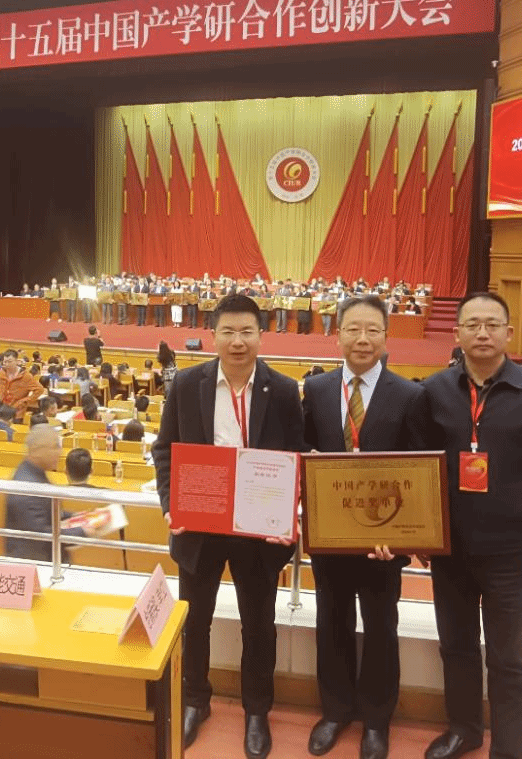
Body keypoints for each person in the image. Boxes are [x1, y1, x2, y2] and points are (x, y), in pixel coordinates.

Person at [151, 294, 304, 758]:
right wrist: (170, 505)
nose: (238, 342)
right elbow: (164, 450)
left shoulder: (283, 390)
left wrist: (289, 512)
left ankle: (257, 710)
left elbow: (296, 458)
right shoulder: (187, 384)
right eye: (228, 332)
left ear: (261, 335)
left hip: (258, 530)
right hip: (200, 525)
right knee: (194, 621)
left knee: (259, 625)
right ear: (213, 335)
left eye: (246, 332)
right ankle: (195, 699)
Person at [422, 292, 522, 759]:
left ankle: (509, 748)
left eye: (492, 324)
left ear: (508, 332)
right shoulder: (434, 390)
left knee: (507, 658)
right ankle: (464, 730)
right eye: (472, 325)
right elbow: (421, 468)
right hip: (451, 549)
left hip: (513, 552)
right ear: (457, 333)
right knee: (456, 647)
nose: (482, 333)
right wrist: (422, 535)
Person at [302, 295, 426, 759]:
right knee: (330, 623)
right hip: (331, 538)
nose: (362, 339)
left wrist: (402, 536)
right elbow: (303, 451)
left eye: (373, 330)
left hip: (382, 540)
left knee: (380, 629)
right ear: (338, 335)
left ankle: (376, 720)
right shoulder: (316, 389)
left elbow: (417, 470)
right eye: (353, 329)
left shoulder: (409, 394)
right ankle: (335, 711)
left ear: (386, 337)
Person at [4, 426, 109, 561]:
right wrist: (83, 531)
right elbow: (42, 535)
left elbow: (43, 512)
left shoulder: (33, 472)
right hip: (35, 561)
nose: (60, 452)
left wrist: (74, 516)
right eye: (55, 447)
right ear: (37, 450)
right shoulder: (27, 487)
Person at [0, 349, 46, 420]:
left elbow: (40, 390)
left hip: (17, 412)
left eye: (10, 362)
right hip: (2, 410)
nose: (7, 364)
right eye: (5, 362)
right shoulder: (0, 373)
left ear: (17, 361)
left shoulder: (26, 376)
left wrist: (24, 401)